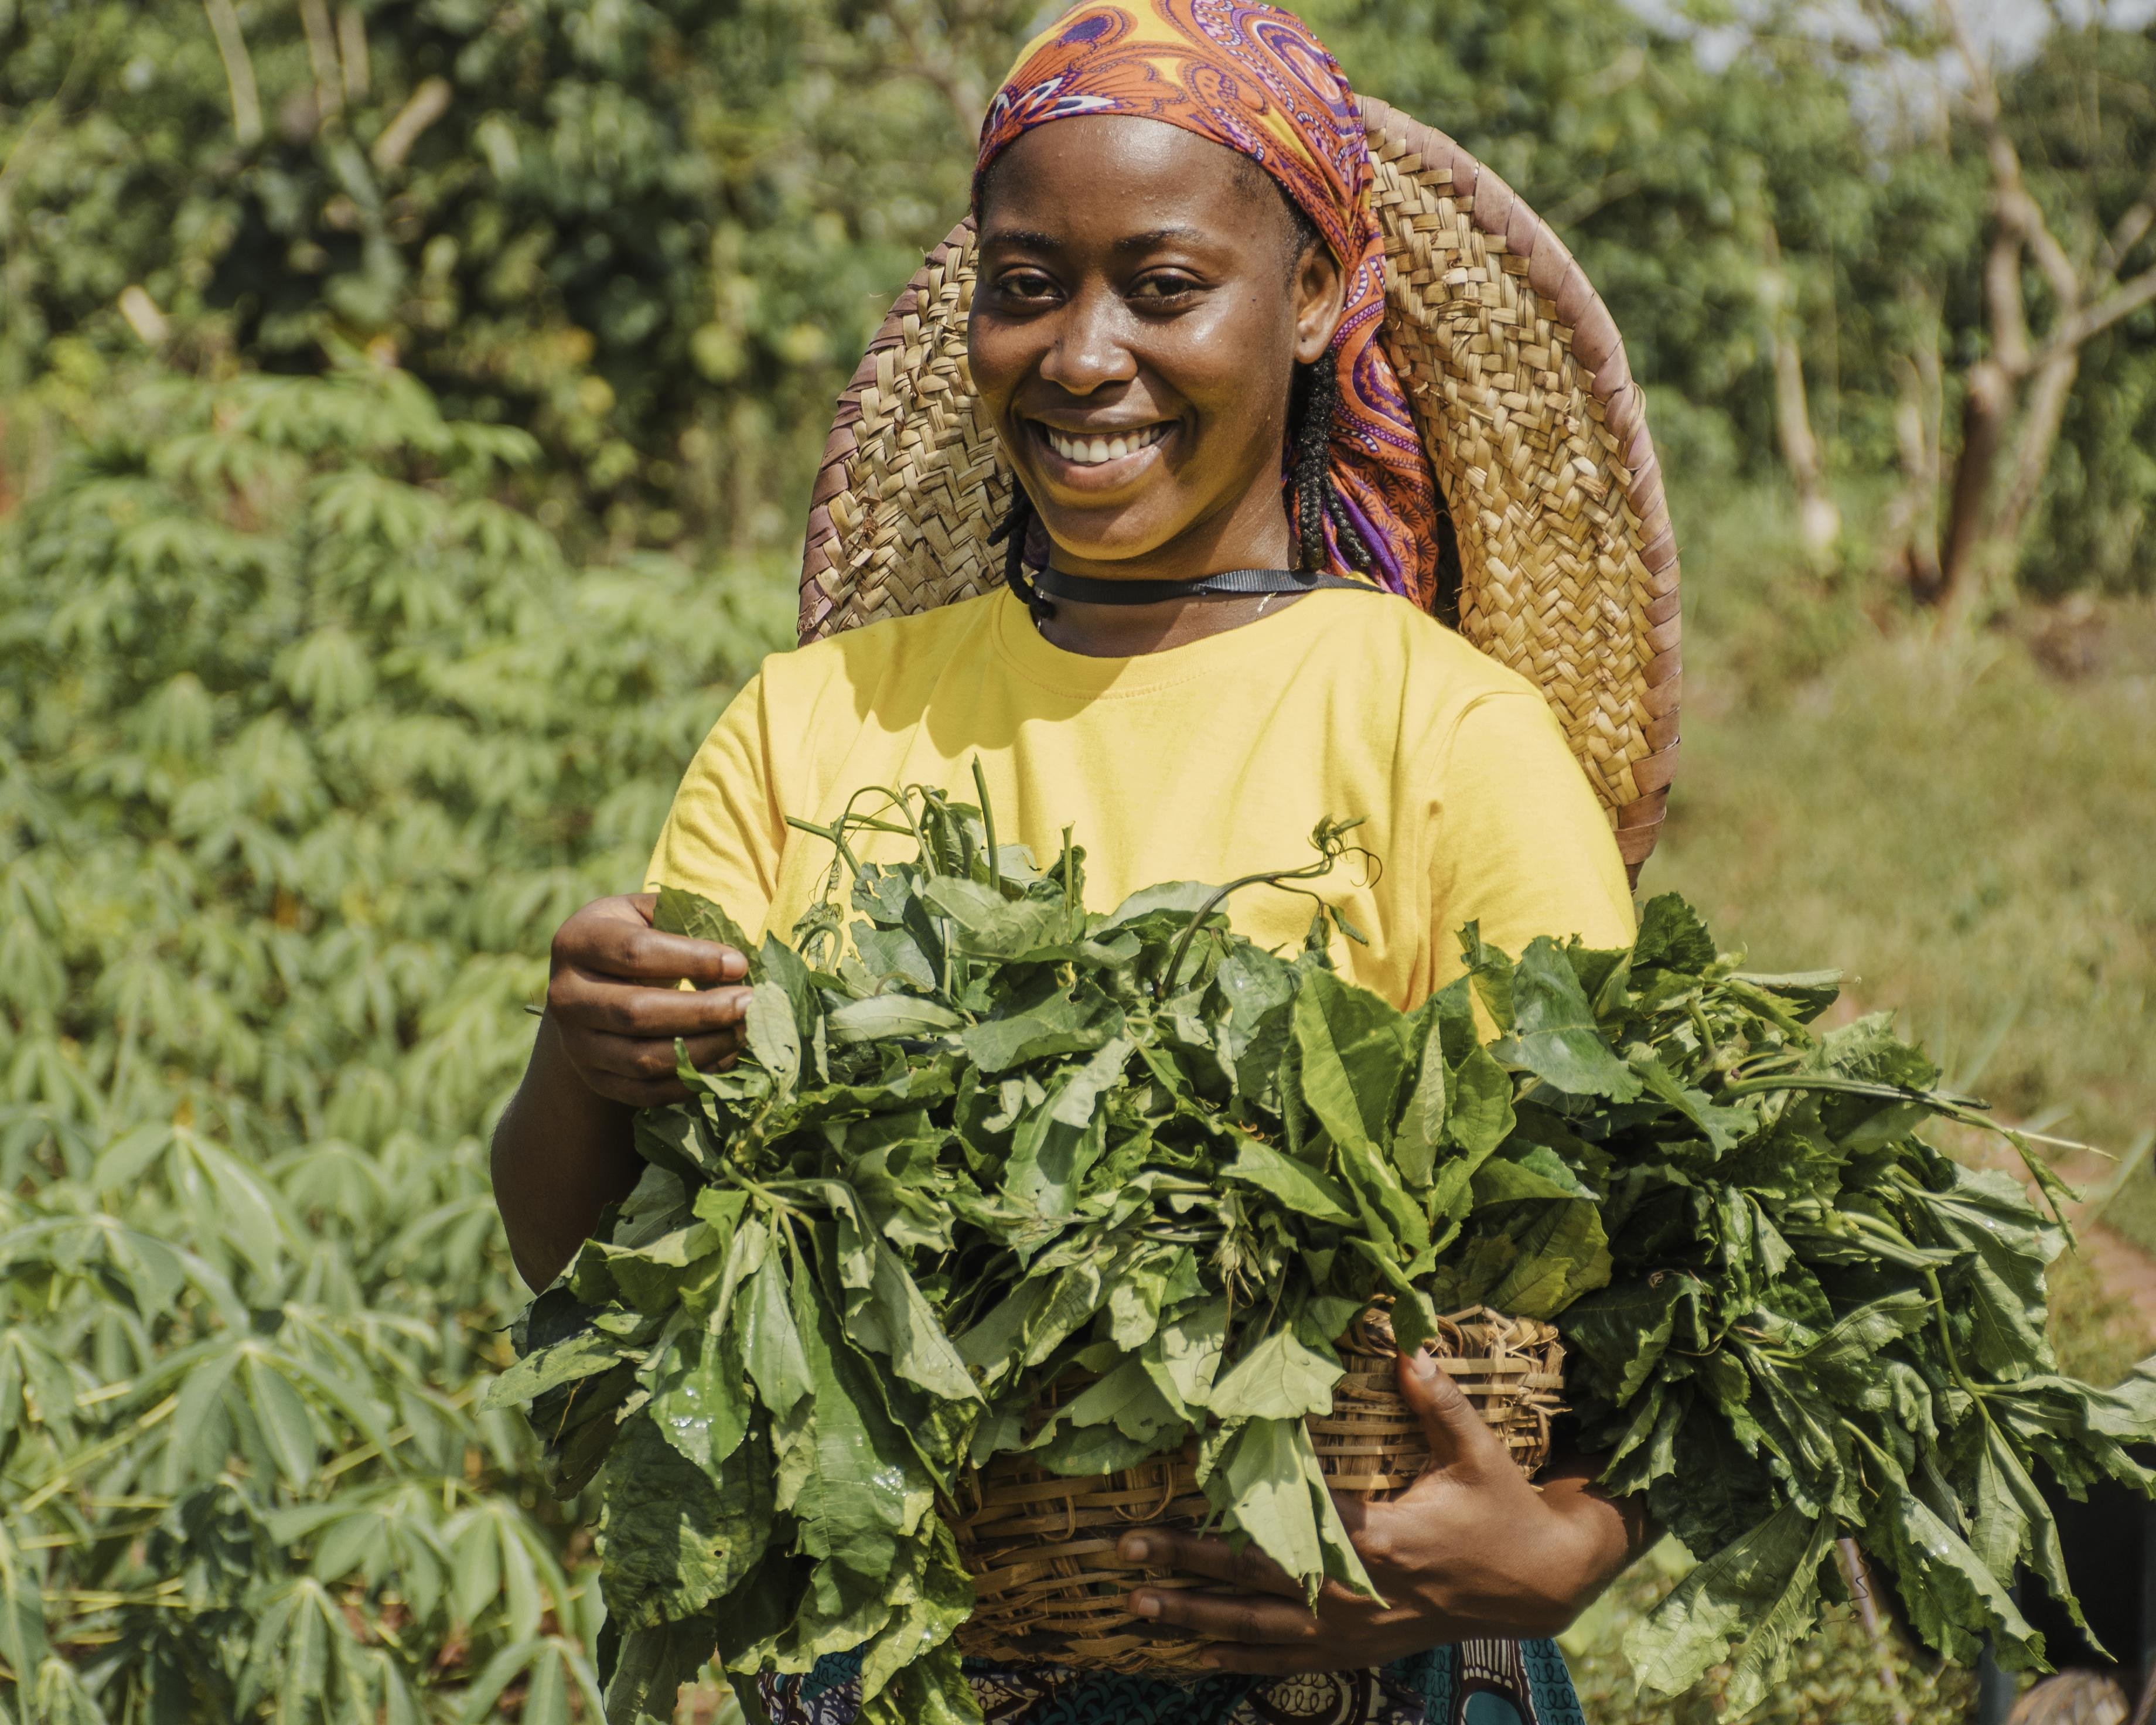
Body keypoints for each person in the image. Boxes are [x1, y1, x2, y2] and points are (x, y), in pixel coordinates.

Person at [492, 5, 1657, 1720]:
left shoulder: (1442, 737)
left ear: (1320, 299)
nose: (1083, 354)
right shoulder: (812, 726)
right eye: (1027, 285)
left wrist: (1574, 1547)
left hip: (1353, 1666)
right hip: (905, 1661)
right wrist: (583, 1057)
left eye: (1164, 288)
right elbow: (588, 1256)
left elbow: (1642, 1256)